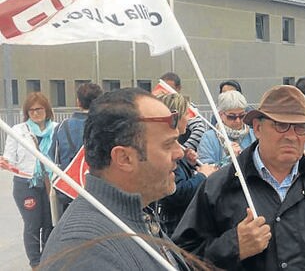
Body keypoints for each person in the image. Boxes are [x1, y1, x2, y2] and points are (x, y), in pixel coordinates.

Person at [172, 85, 305, 270]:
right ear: (257, 128)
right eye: (281, 125)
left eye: (300, 128)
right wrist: (233, 246)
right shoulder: (220, 186)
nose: (291, 136)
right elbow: (182, 258)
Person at [39, 88, 190, 270]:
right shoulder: (86, 251)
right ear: (124, 158)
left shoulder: (133, 215)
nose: (180, 152)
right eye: (168, 145)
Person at [0, 92, 57, 268]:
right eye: (31, 110)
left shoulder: (57, 128)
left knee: (50, 224)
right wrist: (5, 162)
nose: (35, 113)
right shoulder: (18, 131)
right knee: (33, 224)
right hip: (26, 184)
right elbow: (9, 156)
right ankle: (35, 263)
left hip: (50, 183)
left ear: (46, 110)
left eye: (39, 109)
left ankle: (48, 259)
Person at [155, 93, 218, 237]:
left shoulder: (177, 147)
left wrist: (188, 164)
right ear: (176, 116)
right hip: (174, 227)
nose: (190, 119)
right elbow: (176, 192)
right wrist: (202, 176)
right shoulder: (165, 148)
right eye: (186, 114)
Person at [48, 83, 102, 215]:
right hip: (99, 192)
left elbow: (54, 158)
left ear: (78, 102)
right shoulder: (106, 125)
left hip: (69, 191)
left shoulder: (62, 127)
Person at [197, 90, 256, 166]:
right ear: (220, 115)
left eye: (242, 116)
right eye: (232, 117)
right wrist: (229, 159)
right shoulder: (209, 138)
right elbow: (206, 170)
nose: (238, 121)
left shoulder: (254, 135)